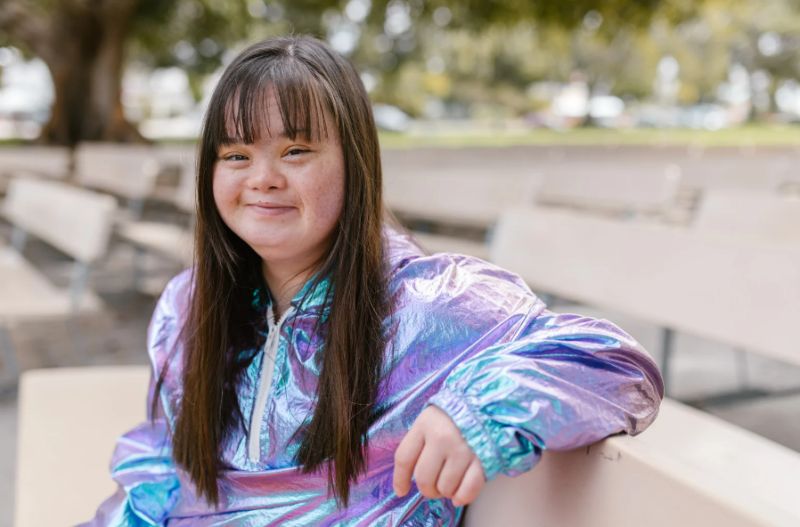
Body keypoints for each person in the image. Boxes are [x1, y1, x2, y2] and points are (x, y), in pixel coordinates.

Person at [84, 35, 663, 526]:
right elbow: (165, 460)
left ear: (354, 163)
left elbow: (616, 363)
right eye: (235, 155)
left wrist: (478, 411)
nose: (262, 178)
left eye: (296, 150)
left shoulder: (431, 302)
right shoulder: (188, 304)